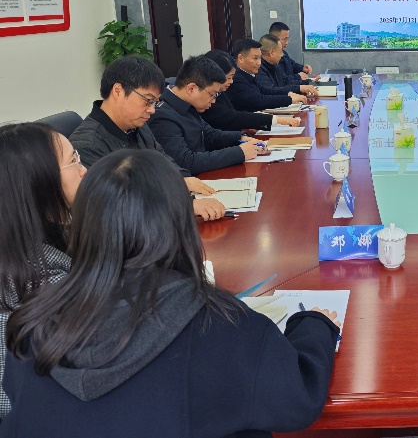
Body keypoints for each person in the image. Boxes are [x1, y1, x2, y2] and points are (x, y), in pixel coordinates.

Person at [3, 150, 341, 437]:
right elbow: (297, 401)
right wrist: (313, 325)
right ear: (179, 221)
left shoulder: (29, 326)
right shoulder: (221, 324)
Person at [70, 55, 225, 221]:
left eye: (155, 102)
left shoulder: (137, 125)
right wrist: (184, 205)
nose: (152, 110)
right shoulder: (87, 145)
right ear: (118, 91)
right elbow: (116, 205)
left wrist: (183, 178)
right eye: (148, 101)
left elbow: (163, 161)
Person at [0, 122, 85, 418]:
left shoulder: (26, 245)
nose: (84, 170)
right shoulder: (44, 284)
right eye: (74, 161)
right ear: (39, 183)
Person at [149, 55, 266, 175]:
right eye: (212, 94)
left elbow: (210, 135)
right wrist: (239, 153)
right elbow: (185, 162)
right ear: (191, 88)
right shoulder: (162, 116)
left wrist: (240, 138)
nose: (214, 101)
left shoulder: (188, 104)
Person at [201, 50, 301, 131]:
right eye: (228, 78)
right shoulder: (209, 97)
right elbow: (231, 117)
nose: (231, 81)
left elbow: (263, 91)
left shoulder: (220, 91)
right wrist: (275, 120)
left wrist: (245, 129)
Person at [227, 38, 304, 112]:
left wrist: (288, 94)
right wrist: (289, 99)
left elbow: (265, 91)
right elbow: (258, 100)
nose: (259, 63)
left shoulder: (248, 75)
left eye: (260, 58)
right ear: (240, 58)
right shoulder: (236, 78)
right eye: (255, 58)